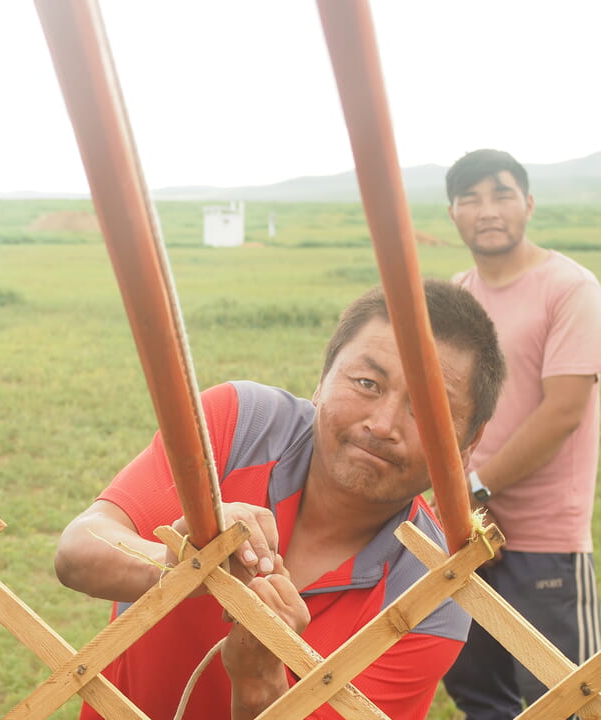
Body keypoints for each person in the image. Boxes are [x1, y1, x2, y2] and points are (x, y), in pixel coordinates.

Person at [56, 280, 507, 720]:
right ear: (323, 379)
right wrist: (180, 567)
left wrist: (261, 684)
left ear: (469, 440)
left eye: (428, 408)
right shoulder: (241, 424)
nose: (383, 424)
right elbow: (76, 552)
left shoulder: (433, 595)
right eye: (368, 383)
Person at [442, 148, 601, 716]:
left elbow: (563, 413)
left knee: (566, 702)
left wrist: (475, 488)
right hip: (466, 533)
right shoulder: (458, 294)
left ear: (529, 204)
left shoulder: (571, 290)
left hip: (543, 542)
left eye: (502, 194)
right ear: (453, 214)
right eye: (470, 198)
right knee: (480, 696)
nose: (487, 210)